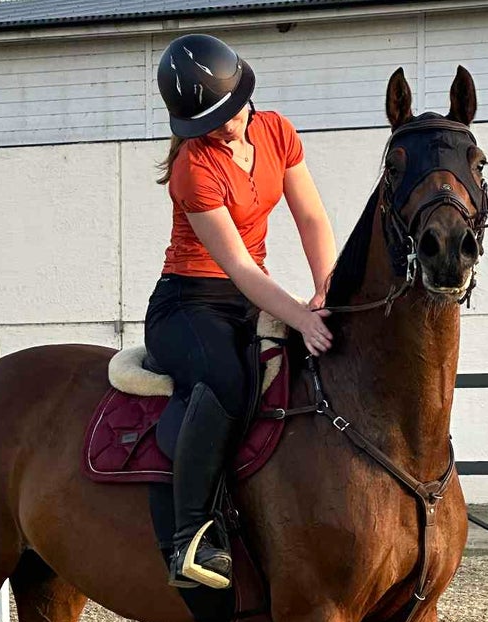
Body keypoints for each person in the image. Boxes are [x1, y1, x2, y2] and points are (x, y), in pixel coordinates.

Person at [147, 33, 336, 589]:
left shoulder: (277, 130)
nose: (223, 127)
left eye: (228, 114)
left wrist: (324, 290)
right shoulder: (192, 167)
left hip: (247, 297)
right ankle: (189, 540)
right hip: (188, 302)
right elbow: (239, 268)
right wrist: (300, 316)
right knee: (228, 382)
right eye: (207, 123)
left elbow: (311, 219)